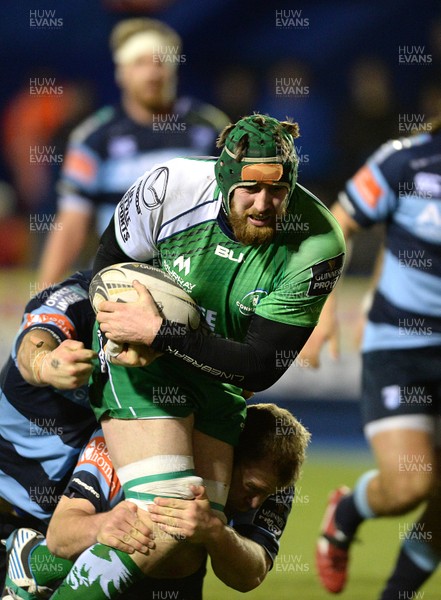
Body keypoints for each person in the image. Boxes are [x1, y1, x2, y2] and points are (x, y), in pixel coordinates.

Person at [44, 112, 344, 598]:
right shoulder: (168, 187)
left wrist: (163, 332)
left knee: (183, 545)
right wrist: (130, 335)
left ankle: (35, 566)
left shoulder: (318, 244)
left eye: (278, 191)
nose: (265, 204)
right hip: (139, 361)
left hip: (216, 374)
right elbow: (107, 268)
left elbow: (260, 367)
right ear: (224, 181)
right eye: (250, 189)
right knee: (169, 510)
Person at [309, 120, 441, 598]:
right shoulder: (404, 161)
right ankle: (349, 511)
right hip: (401, 347)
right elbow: (336, 224)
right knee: (410, 486)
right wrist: (323, 311)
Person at [2, 403, 310, 600]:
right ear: (226, 459)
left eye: (266, 494)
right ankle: (34, 560)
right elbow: (60, 533)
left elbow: (249, 575)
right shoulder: (127, 440)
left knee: (184, 537)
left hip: (174, 578)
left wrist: (216, 532)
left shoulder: (273, 483)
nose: (256, 503)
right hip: (102, 559)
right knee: (168, 525)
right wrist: (102, 525)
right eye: (251, 488)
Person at [37, 17, 230, 288]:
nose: (153, 73)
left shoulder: (211, 128)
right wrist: (43, 296)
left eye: (161, 62)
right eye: (140, 63)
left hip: (200, 279)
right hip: (120, 279)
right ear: (121, 72)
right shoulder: (94, 136)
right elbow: (72, 222)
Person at [0, 271, 98, 590]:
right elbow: (35, 341)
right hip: (11, 500)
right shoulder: (73, 303)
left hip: (68, 517)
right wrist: (47, 365)